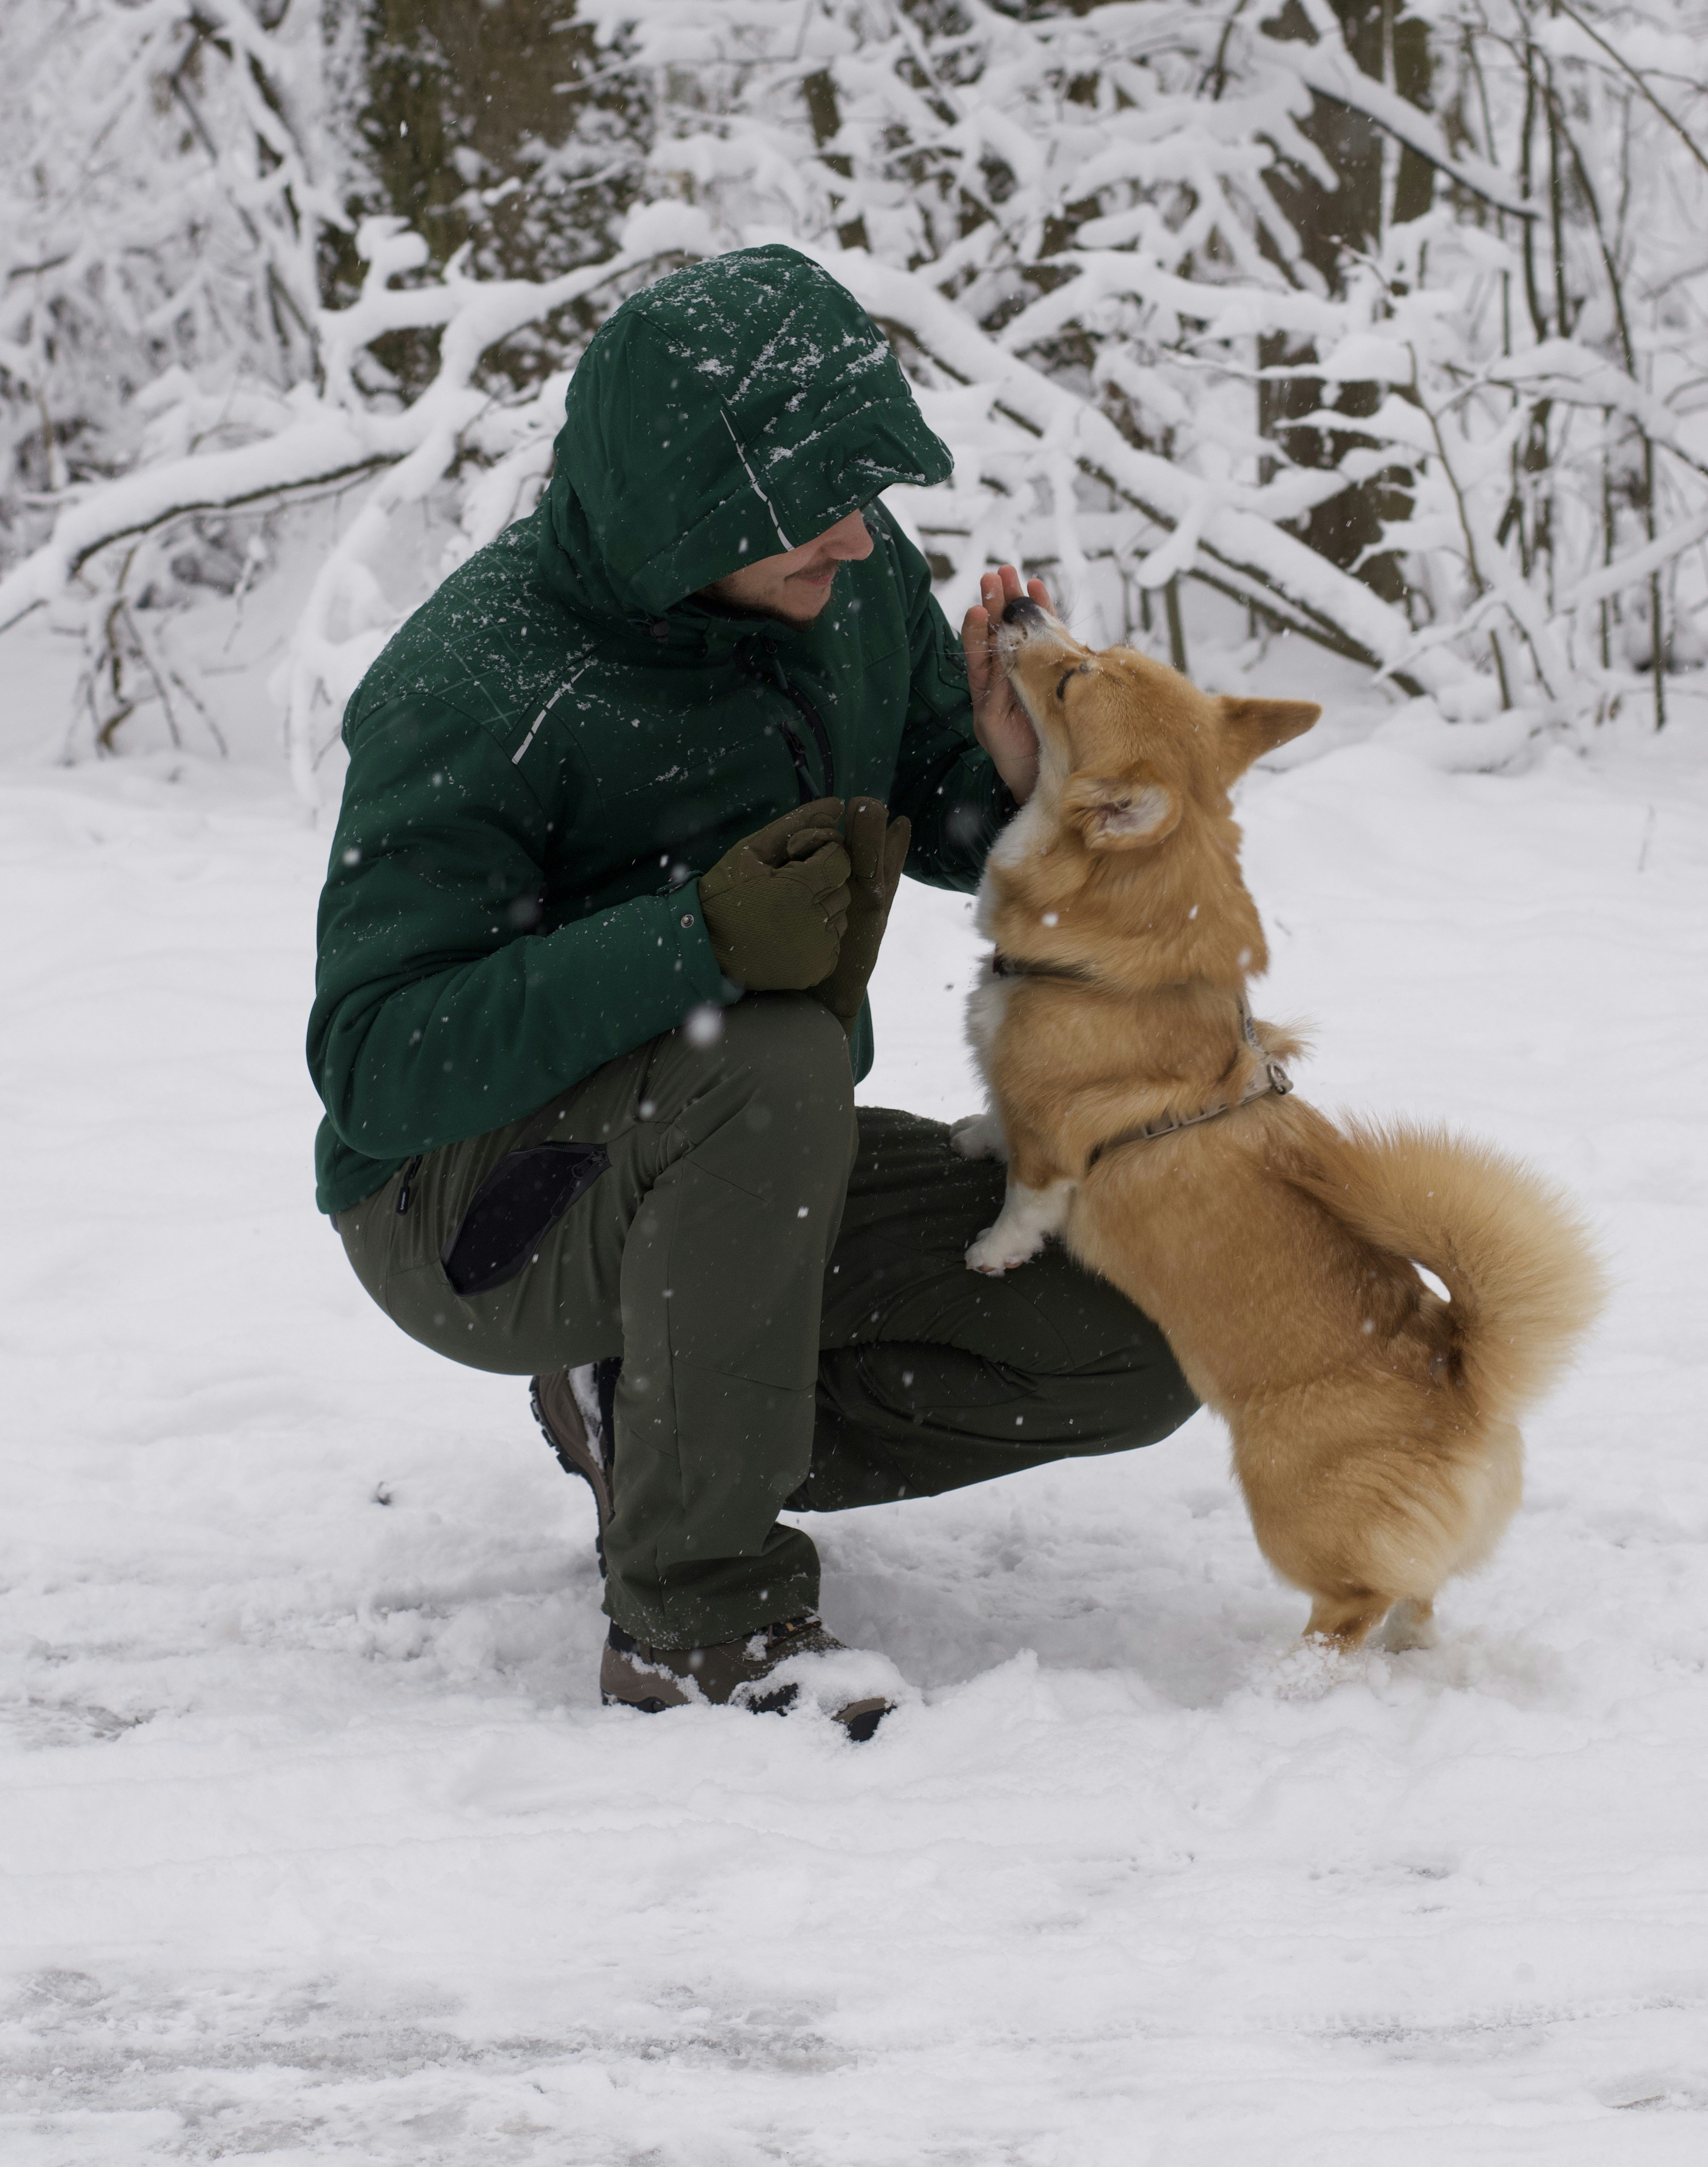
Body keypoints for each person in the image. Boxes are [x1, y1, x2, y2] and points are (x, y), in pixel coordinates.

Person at [310, 244, 1196, 1737]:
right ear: (685, 510)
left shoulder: (839, 594)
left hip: (743, 1177)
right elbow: (377, 1067)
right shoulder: (480, 685)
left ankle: (645, 1418)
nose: (859, 539)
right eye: (814, 508)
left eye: (865, 493)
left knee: (1152, 1312)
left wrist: (1021, 784)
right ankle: (693, 1616)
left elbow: (932, 800)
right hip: (467, 1216)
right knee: (774, 1051)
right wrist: (692, 939)